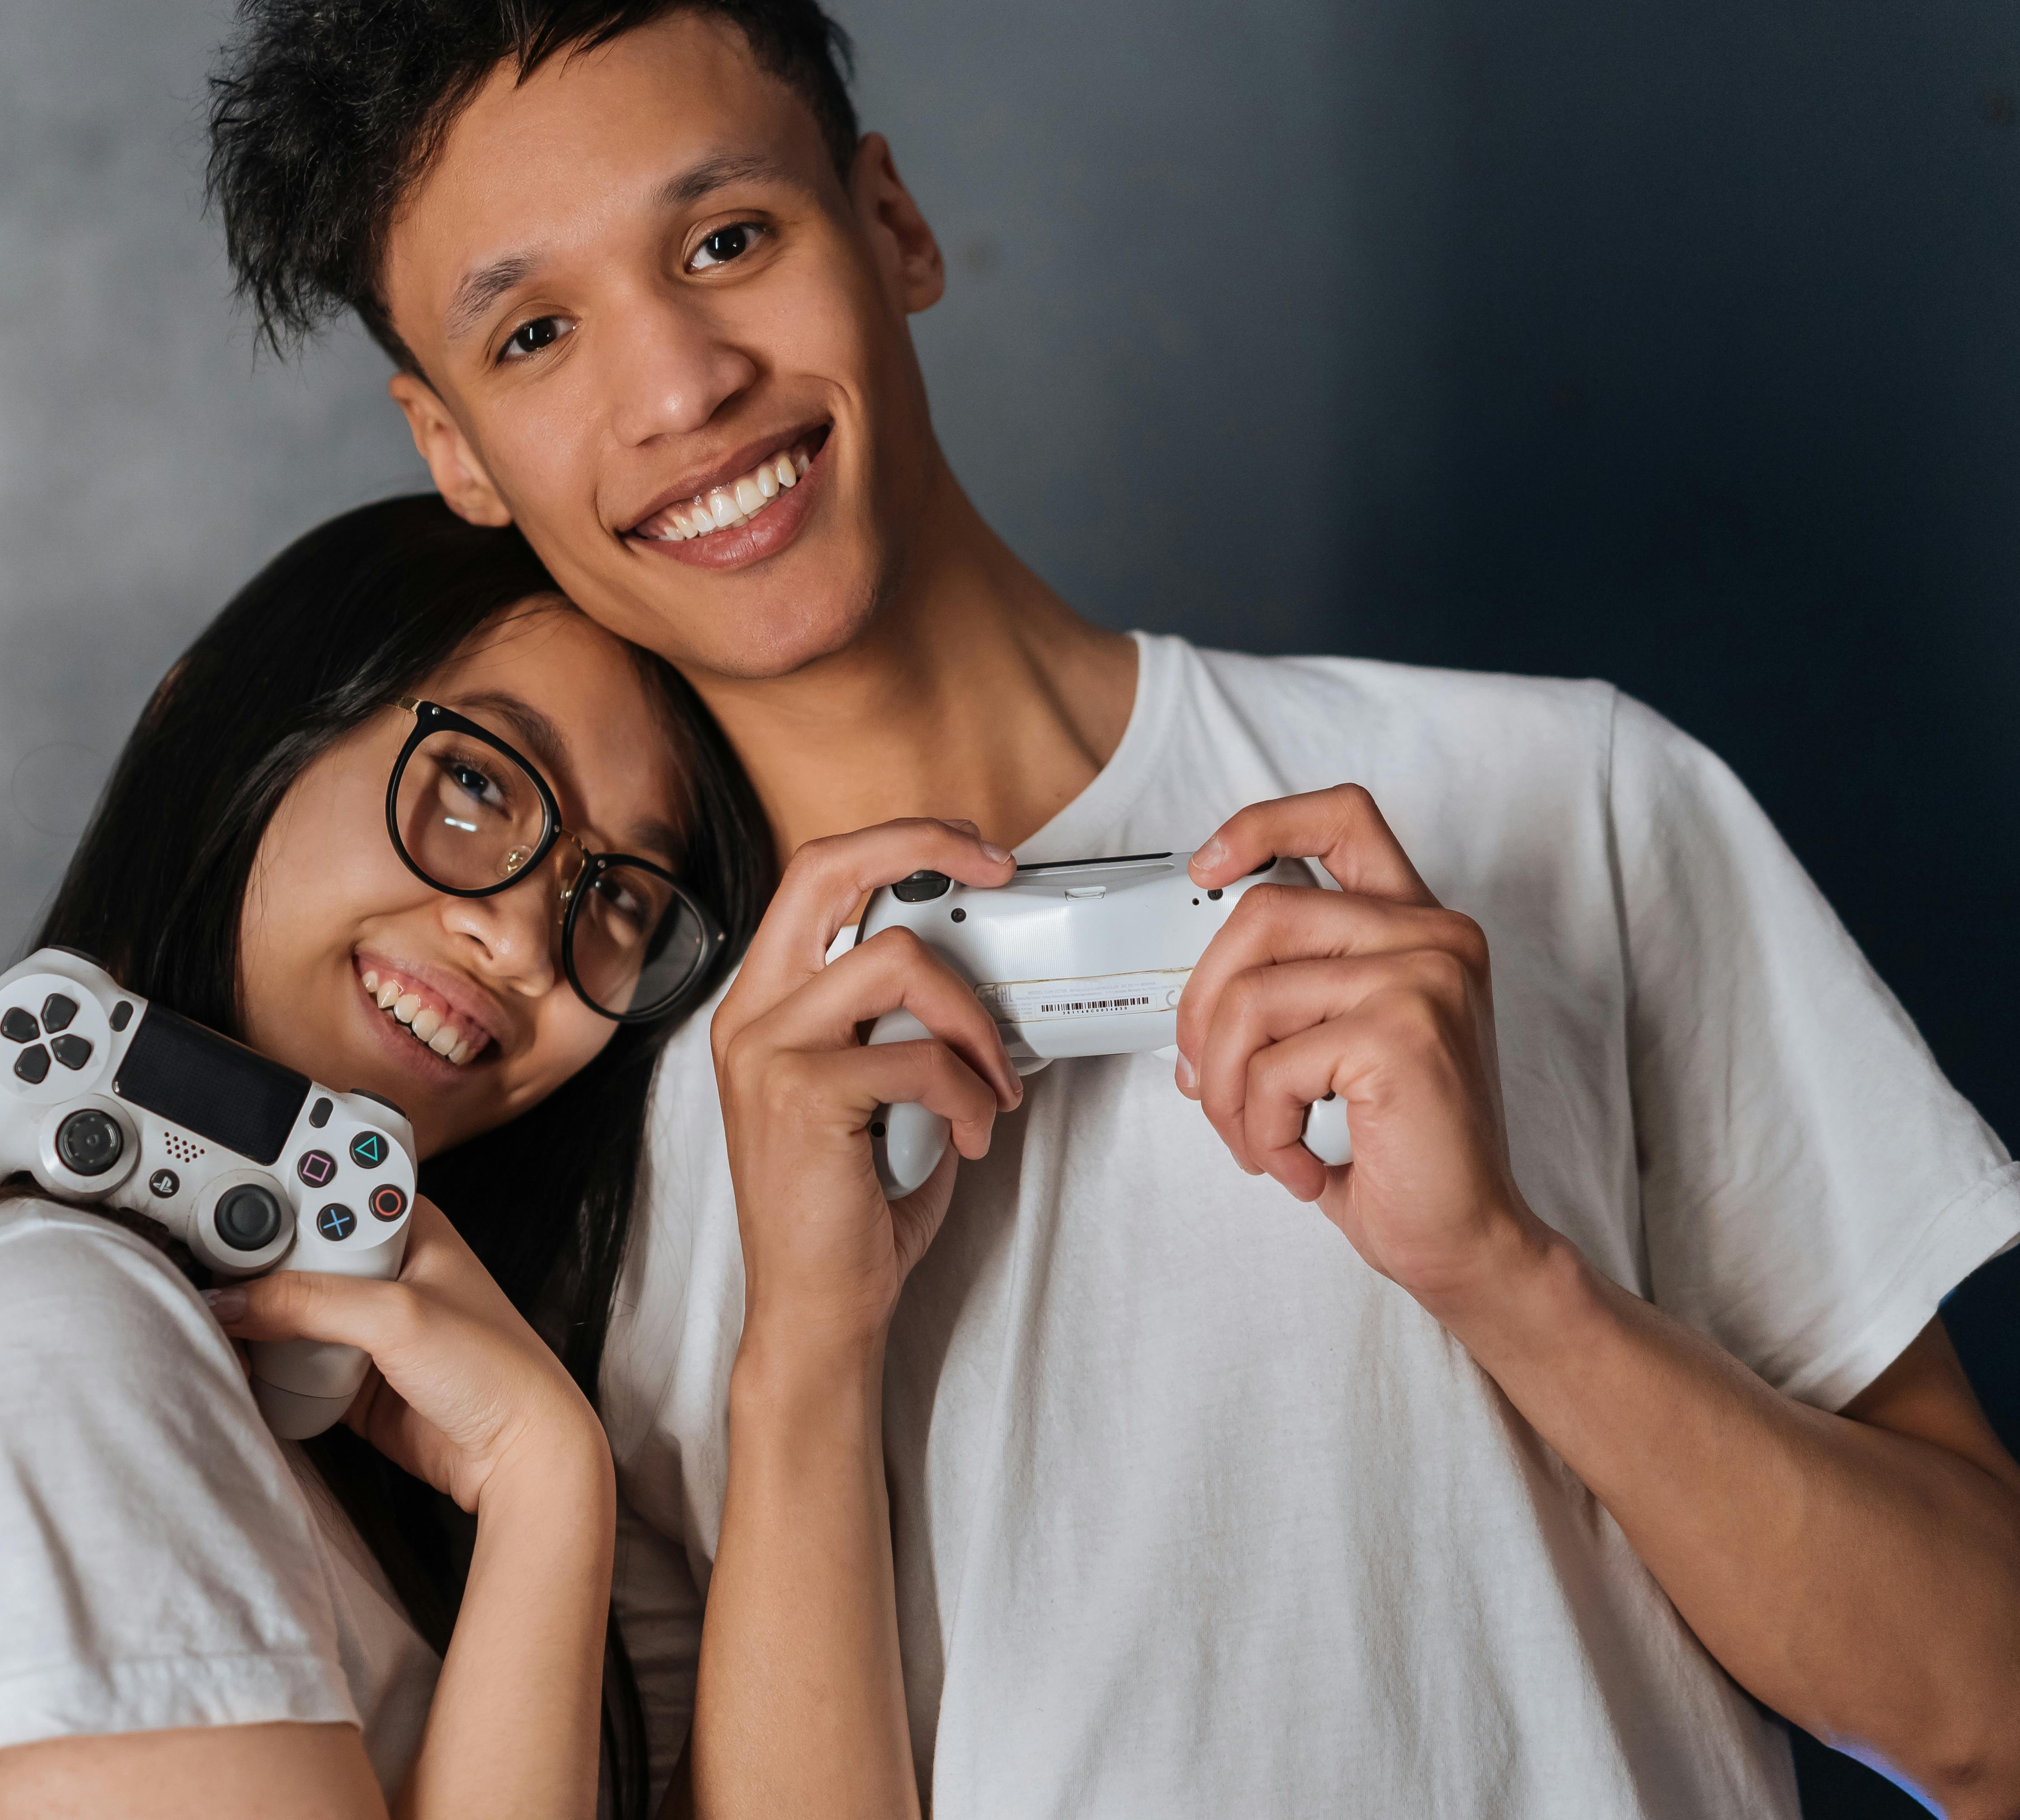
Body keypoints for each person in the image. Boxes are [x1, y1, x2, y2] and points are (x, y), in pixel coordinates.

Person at [202, 4, 2020, 1815]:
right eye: (535, 333)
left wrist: (1514, 1277)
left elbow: (1989, 1715)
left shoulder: (1566, 803)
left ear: (892, 227)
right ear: (451, 444)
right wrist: (807, 1359)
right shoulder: (572, 1130)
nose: (679, 388)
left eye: (727, 240)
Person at [0, 495, 773, 1819]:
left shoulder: (435, 1432)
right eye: (476, 784)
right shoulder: (49, 1331)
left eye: (616, 900)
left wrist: (550, 1486)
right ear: (210, 722)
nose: (520, 942)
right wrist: (542, 1487)